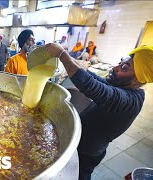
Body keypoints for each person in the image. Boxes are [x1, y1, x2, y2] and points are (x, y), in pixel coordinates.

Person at [45, 43, 153, 180]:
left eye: (124, 67)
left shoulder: (129, 100)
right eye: (120, 62)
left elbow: (92, 86)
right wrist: (70, 61)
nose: (115, 68)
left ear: (137, 79)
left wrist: (62, 54)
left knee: (81, 175)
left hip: (88, 152)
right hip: (81, 142)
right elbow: (96, 79)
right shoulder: (124, 86)